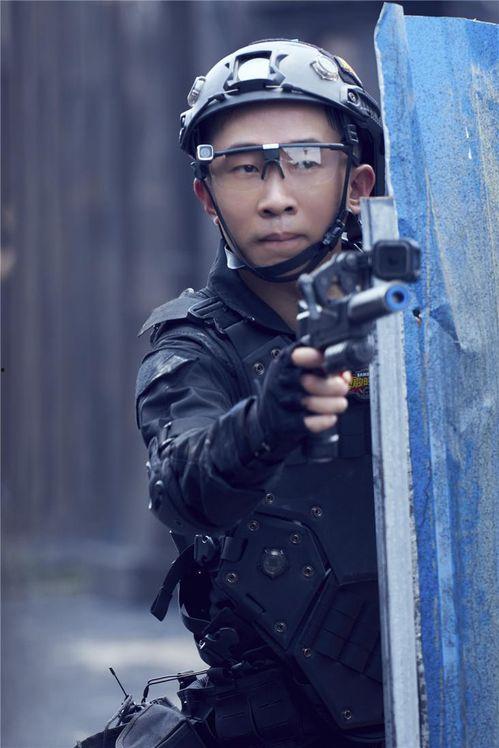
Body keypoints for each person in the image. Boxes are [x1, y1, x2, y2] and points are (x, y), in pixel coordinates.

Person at [134, 39, 385, 747]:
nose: (275, 198)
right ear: (206, 195)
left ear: (357, 183)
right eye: (244, 168)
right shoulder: (192, 345)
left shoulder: (435, 315)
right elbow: (181, 483)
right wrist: (265, 422)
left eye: (304, 160)